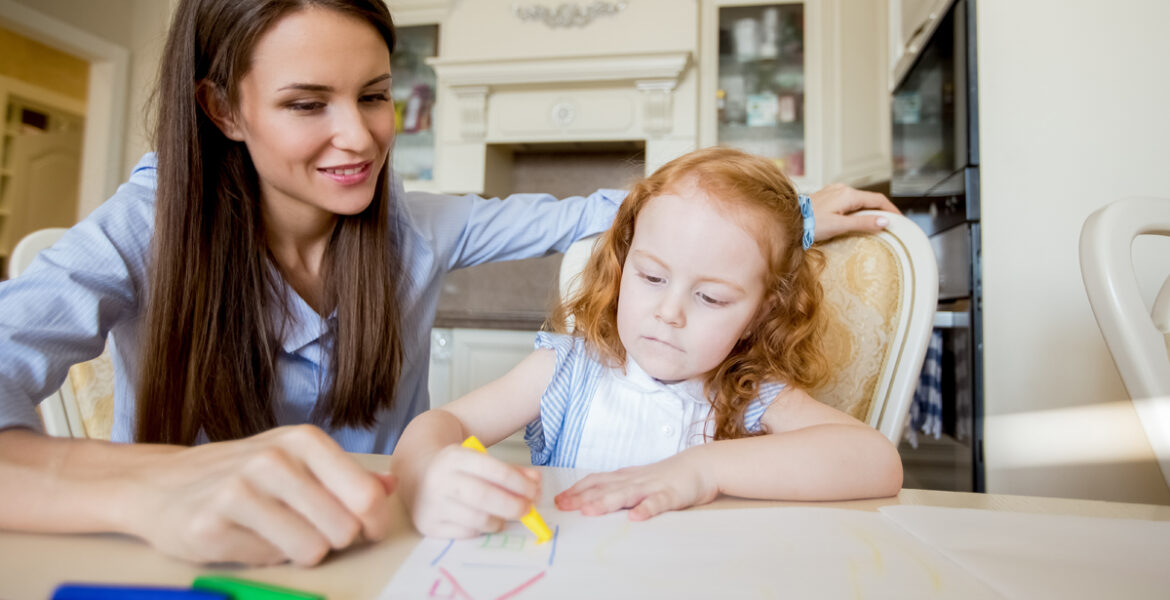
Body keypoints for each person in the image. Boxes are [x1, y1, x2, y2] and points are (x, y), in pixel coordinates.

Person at [0, 0, 897, 567]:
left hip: (394, 557)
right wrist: (144, 488)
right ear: (223, 108)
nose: (358, 139)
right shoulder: (140, 232)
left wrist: (788, 216)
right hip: (188, 569)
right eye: (307, 104)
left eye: (376, 95)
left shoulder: (422, 227)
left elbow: (617, 216)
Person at [394, 147, 903, 539]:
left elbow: (876, 461)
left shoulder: (746, 391)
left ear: (760, 313)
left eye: (710, 297)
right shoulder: (568, 369)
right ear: (622, 264)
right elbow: (445, 424)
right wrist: (425, 475)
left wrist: (701, 471)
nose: (669, 312)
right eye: (652, 278)